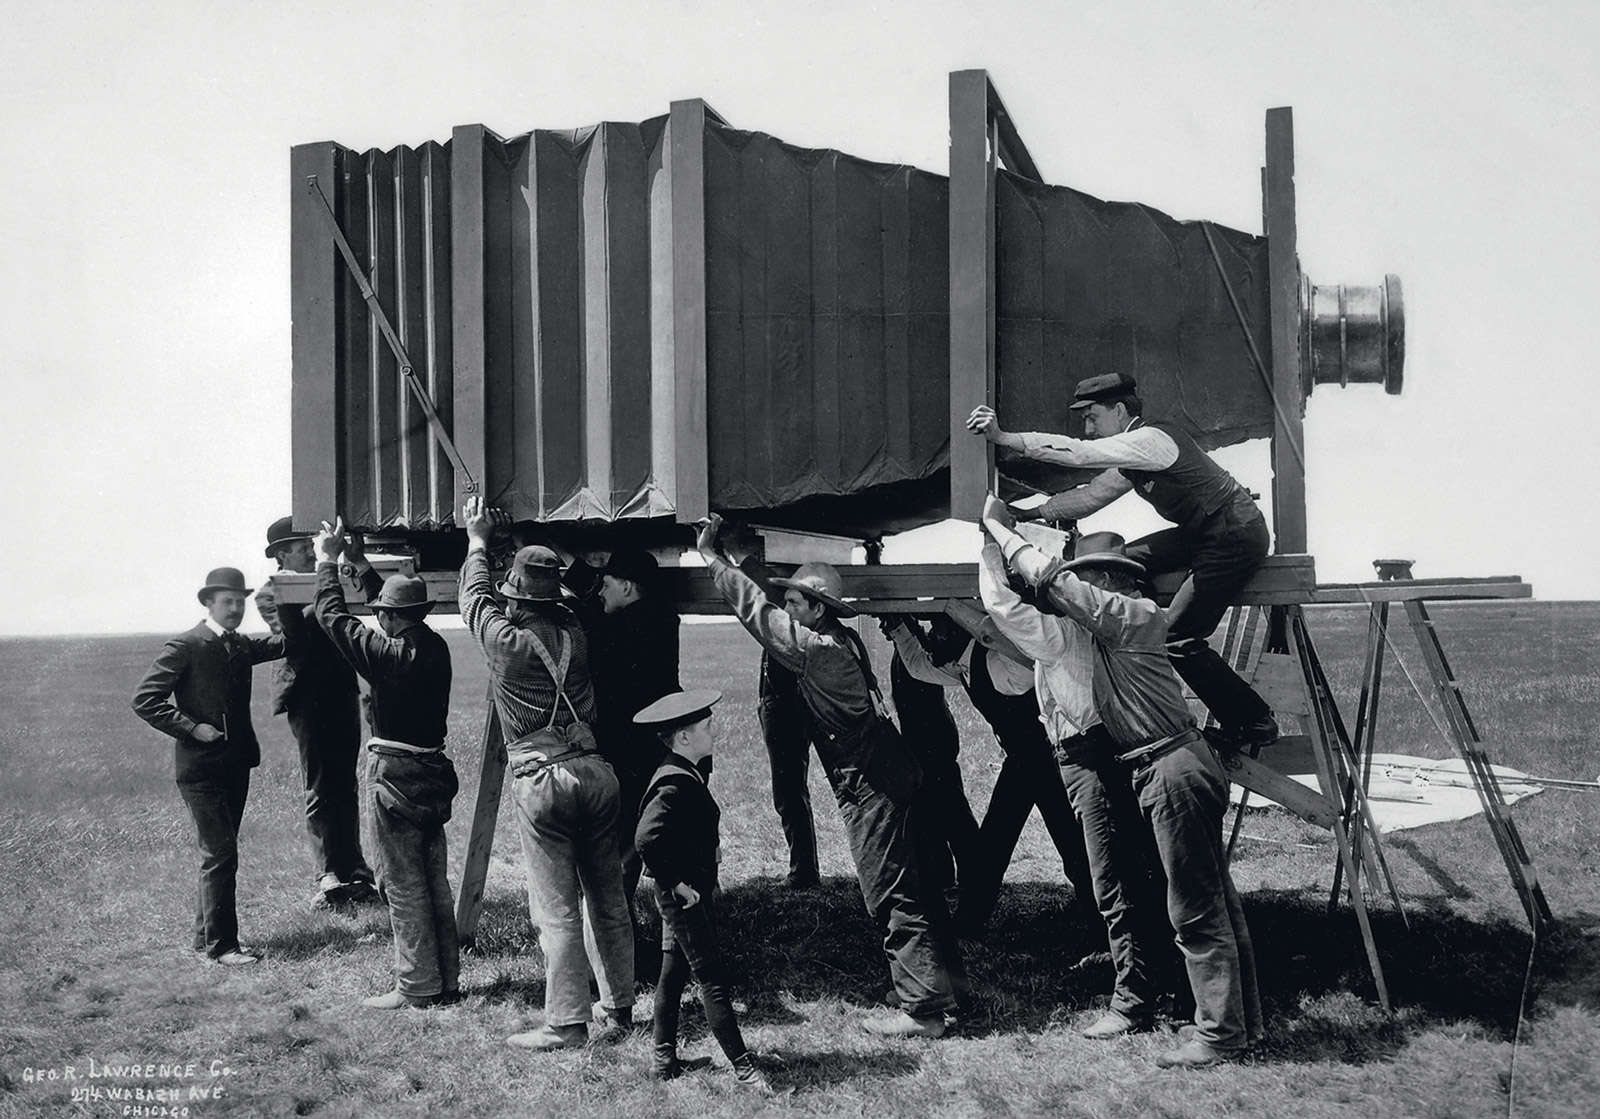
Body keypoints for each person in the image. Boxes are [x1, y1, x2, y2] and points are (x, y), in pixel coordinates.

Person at [981, 494, 1262, 1068]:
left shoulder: (1128, 620)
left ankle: (1219, 1035)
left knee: (1197, 908)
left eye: (1098, 579)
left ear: (1119, 583)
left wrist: (998, 534)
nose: (1090, 591)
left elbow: (1054, 587)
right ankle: (1236, 1023)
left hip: (1169, 765)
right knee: (1211, 902)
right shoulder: (1125, 625)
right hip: (1167, 763)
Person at [697, 514, 966, 1038]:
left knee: (891, 892)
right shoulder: (839, 637)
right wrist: (744, 559)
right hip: (893, 771)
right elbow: (772, 609)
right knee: (919, 886)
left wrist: (714, 559)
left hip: (872, 786)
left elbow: (758, 614)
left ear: (817, 610)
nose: (787, 609)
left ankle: (923, 1011)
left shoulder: (817, 651)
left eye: (796, 602)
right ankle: (941, 988)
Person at [967, 372, 1279, 751]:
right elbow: (1091, 497)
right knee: (1120, 563)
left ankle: (1253, 722)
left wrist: (1004, 438)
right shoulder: (1135, 459)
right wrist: (1030, 515)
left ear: (1118, 410)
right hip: (1204, 532)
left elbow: (1079, 454)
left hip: (1234, 533)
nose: (1088, 427)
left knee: (1177, 637)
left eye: (1092, 417)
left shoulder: (1152, 441)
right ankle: (1128, 627)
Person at [977, 529, 1181, 1039]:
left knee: (1112, 880)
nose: (1066, 587)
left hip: (1089, 757)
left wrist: (990, 546)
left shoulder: (1069, 634)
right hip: (1107, 751)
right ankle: (1166, 983)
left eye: (1079, 577)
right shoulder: (1100, 629)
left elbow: (1002, 605)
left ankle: (1133, 1001)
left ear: (1105, 582)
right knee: (1138, 872)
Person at [457, 497, 634, 1051]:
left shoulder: (505, 641)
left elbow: (473, 598)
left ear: (515, 595)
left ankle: (566, 1023)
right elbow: (562, 595)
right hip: (597, 773)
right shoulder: (577, 633)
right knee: (607, 896)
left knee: (555, 906)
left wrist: (477, 538)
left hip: (543, 781)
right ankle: (621, 1006)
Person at [309, 519, 459, 1010]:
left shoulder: (385, 655)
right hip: (433, 772)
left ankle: (415, 986)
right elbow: (393, 608)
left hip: (394, 777)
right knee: (434, 878)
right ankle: (447, 980)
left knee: (400, 882)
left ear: (390, 620)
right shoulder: (432, 644)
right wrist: (360, 563)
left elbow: (332, 617)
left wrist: (327, 562)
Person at [882, 613, 1094, 934]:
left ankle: (1101, 918)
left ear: (960, 633)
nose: (932, 636)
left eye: (939, 629)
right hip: (1025, 763)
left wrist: (976, 625)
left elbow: (1030, 665)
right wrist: (899, 629)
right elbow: (919, 666)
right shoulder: (961, 665)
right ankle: (970, 920)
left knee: (1068, 844)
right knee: (997, 844)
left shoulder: (998, 663)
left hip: (1047, 762)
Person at [131, 567, 284, 965]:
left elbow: (285, 644)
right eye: (227, 602)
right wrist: (191, 728)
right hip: (199, 770)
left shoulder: (240, 645)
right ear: (208, 603)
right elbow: (145, 700)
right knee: (220, 854)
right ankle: (224, 948)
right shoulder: (186, 645)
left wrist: (289, 597)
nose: (235, 608)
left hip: (235, 765)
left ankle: (205, 939)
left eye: (240, 602)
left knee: (220, 853)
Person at [633, 689, 774, 1093]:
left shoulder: (684, 769)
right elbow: (646, 839)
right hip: (684, 897)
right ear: (683, 738)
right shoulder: (674, 783)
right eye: (706, 727)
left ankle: (664, 1062)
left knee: (673, 974)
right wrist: (677, 883)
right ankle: (745, 1070)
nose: (714, 733)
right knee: (711, 977)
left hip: (685, 891)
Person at [259, 515, 378, 908]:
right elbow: (299, 636)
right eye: (302, 547)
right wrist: (331, 588)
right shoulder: (270, 593)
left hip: (342, 690)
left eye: (312, 545)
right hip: (307, 695)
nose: (311, 551)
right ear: (281, 556)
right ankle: (328, 872)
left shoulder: (329, 581)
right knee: (321, 785)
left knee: (345, 781)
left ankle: (355, 868)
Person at [562, 546, 681, 924]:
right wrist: (567, 556)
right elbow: (597, 607)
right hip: (655, 751)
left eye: (608, 583)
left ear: (628, 587)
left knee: (622, 849)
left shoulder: (631, 626)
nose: (600, 591)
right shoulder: (656, 617)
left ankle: (611, 930)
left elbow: (592, 619)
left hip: (631, 756)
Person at [884, 644, 980, 906]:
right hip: (924, 742)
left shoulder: (915, 647)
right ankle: (945, 875)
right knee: (932, 810)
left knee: (952, 811)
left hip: (933, 742)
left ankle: (974, 874)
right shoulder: (905, 649)